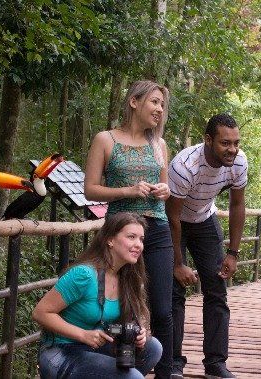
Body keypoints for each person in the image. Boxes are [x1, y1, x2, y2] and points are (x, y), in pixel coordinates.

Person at [83, 80, 175, 376]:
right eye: (155, 102)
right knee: (118, 306)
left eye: (162, 105)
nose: (160, 109)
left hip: (157, 229)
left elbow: (167, 188)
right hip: (119, 231)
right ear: (134, 102)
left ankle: (165, 372)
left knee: (162, 309)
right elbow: (90, 190)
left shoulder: (159, 144)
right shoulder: (105, 139)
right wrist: (128, 191)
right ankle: (114, 370)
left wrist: (164, 190)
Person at [33, 212, 163, 378]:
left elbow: (110, 326)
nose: (139, 244)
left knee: (153, 348)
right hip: (60, 351)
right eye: (131, 237)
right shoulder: (84, 275)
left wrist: (136, 332)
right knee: (132, 377)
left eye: (141, 239)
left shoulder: (126, 277)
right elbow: (40, 313)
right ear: (110, 240)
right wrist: (83, 334)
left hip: (96, 346)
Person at [166, 113, 247, 379]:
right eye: (225, 143)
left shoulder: (239, 163)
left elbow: (237, 205)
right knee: (174, 292)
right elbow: (173, 217)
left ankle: (215, 363)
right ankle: (173, 363)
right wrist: (178, 264)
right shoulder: (184, 166)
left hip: (205, 219)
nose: (232, 149)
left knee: (217, 290)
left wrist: (233, 253)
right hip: (174, 221)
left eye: (235, 143)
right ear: (208, 140)